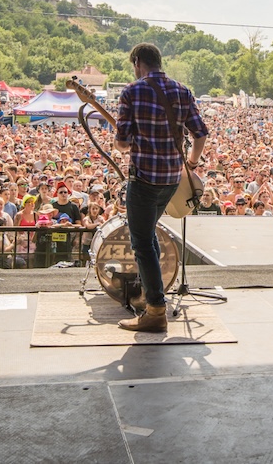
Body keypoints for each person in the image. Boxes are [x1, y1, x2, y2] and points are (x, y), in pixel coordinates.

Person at [114, 43, 208, 332]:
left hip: (143, 179)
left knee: (141, 243)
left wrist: (125, 143)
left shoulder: (131, 92)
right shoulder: (182, 90)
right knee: (148, 237)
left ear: (138, 62)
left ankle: (156, 310)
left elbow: (121, 142)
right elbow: (200, 133)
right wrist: (191, 163)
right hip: (171, 180)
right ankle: (151, 295)